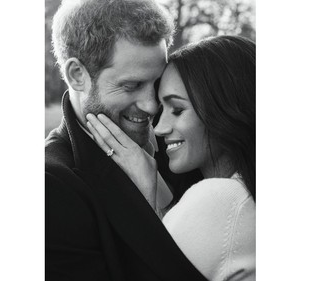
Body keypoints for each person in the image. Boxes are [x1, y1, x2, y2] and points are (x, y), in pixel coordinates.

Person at [45, 0, 207, 280]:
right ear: (77, 75)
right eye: (131, 86)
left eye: (156, 83)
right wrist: (145, 206)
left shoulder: (180, 138)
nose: (151, 106)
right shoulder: (51, 186)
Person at [86, 35, 256, 281]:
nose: (159, 128)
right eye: (162, 109)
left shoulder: (220, 199)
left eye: (177, 110)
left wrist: (145, 193)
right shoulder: (244, 195)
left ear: (226, 109)